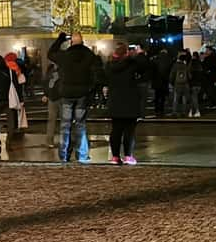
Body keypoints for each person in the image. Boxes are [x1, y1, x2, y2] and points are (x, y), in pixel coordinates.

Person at [48, 32, 101, 163]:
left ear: (71, 42)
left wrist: (60, 39)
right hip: (82, 93)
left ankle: (63, 154)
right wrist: (91, 88)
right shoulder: (89, 55)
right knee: (80, 125)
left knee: (65, 125)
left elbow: (50, 53)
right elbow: (98, 73)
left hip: (67, 93)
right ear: (82, 42)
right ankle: (82, 154)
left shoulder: (65, 56)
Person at [105, 42, 143, 165]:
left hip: (115, 100)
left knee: (116, 130)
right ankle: (128, 156)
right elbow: (146, 67)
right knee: (129, 131)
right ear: (127, 52)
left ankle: (115, 156)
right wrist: (139, 54)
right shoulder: (132, 64)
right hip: (130, 101)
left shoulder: (109, 66)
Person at [43, 61, 62, 149]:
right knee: (51, 120)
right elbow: (46, 82)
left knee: (64, 120)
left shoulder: (63, 69)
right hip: (52, 97)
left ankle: (65, 140)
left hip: (61, 97)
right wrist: (46, 94)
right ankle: (49, 140)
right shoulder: (50, 69)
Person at [153, 47, 174, 116]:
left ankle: (156, 109)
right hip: (165, 80)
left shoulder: (156, 59)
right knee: (163, 97)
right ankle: (161, 110)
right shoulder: (169, 59)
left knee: (156, 96)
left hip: (156, 80)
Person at [170, 52, 192, 117]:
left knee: (176, 99)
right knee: (184, 99)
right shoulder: (185, 66)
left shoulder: (175, 65)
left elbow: (172, 75)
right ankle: (184, 112)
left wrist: (172, 82)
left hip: (177, 84)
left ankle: (174, 112)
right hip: (185, 84)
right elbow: (189, 76)